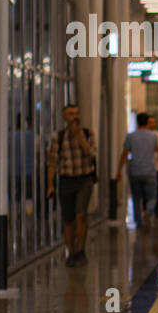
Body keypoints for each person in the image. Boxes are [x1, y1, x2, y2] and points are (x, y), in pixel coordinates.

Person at [46, 103, 98, 267]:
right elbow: (52, 162)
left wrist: (80, 138)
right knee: (68, 219)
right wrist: (50, 185)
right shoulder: (58, 137)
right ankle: (72, 251)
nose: (74, 117)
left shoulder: (87, 133)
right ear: (64, 117)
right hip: (67, 181)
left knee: (81, 215)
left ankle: (81, 250)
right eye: (70, 114)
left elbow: (91, 153)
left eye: (76, 113)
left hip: (84, 179)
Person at [117, 112, 158, 231]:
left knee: (136, 198)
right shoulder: (153, 136)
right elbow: (157, 149)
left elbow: (125, 154)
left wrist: (119, 170)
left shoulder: (131, 136)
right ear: (147, 122)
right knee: (152, 197)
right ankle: (148, 211)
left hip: (134, 171)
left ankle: (138, 223)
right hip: (149, 171)